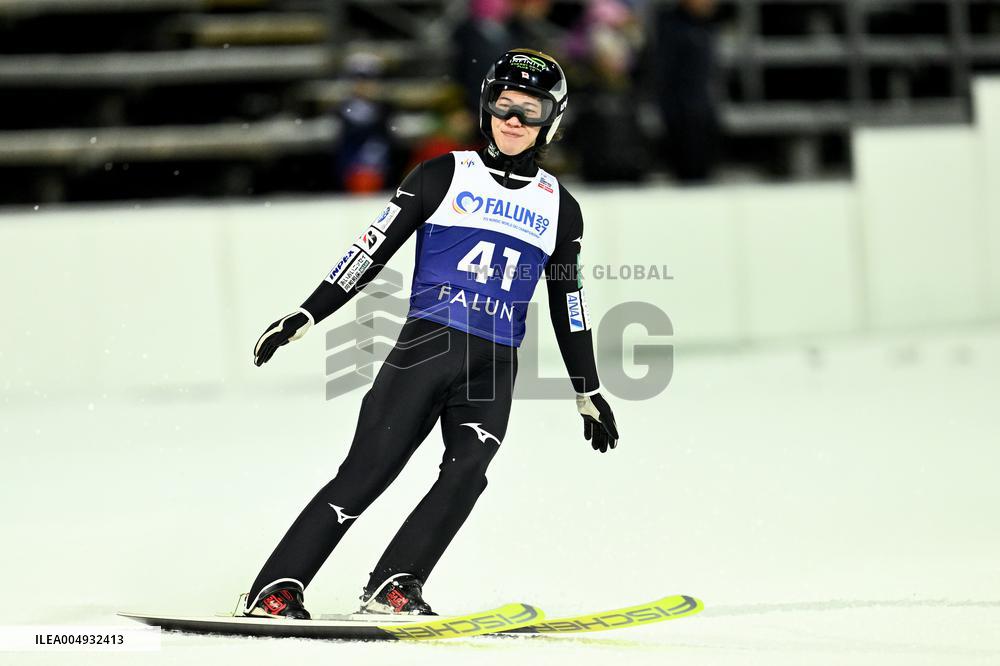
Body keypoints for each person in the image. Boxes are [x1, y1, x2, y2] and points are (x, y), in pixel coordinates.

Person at [240, 48, 620, 620]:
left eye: (531, 110)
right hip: (425, 350)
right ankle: (275, 587)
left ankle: (395, 584)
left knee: (467, 476)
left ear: (552, 121)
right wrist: (308, 314)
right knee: (368, 473)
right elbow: (370, 252)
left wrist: (586, 388)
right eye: (504, 104)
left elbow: (569, 302)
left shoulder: (561, 209)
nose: (514, 120)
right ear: (486, 106)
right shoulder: (442, 175)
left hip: (494, 366)